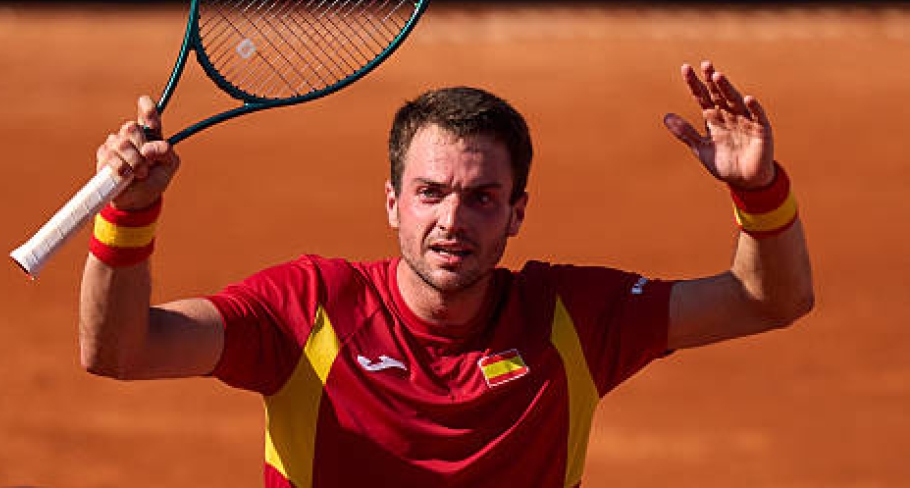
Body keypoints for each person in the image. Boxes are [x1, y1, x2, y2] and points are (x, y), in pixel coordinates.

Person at [78, 61, 813, 487]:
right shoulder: (311, 310)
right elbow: (121, 350)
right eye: (430, 193)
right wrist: (130, 215)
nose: (452, 221)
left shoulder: (571, 318)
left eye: (481, 197)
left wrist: (758, 189)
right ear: (393, 202)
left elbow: (767, 299)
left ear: (517, 212)